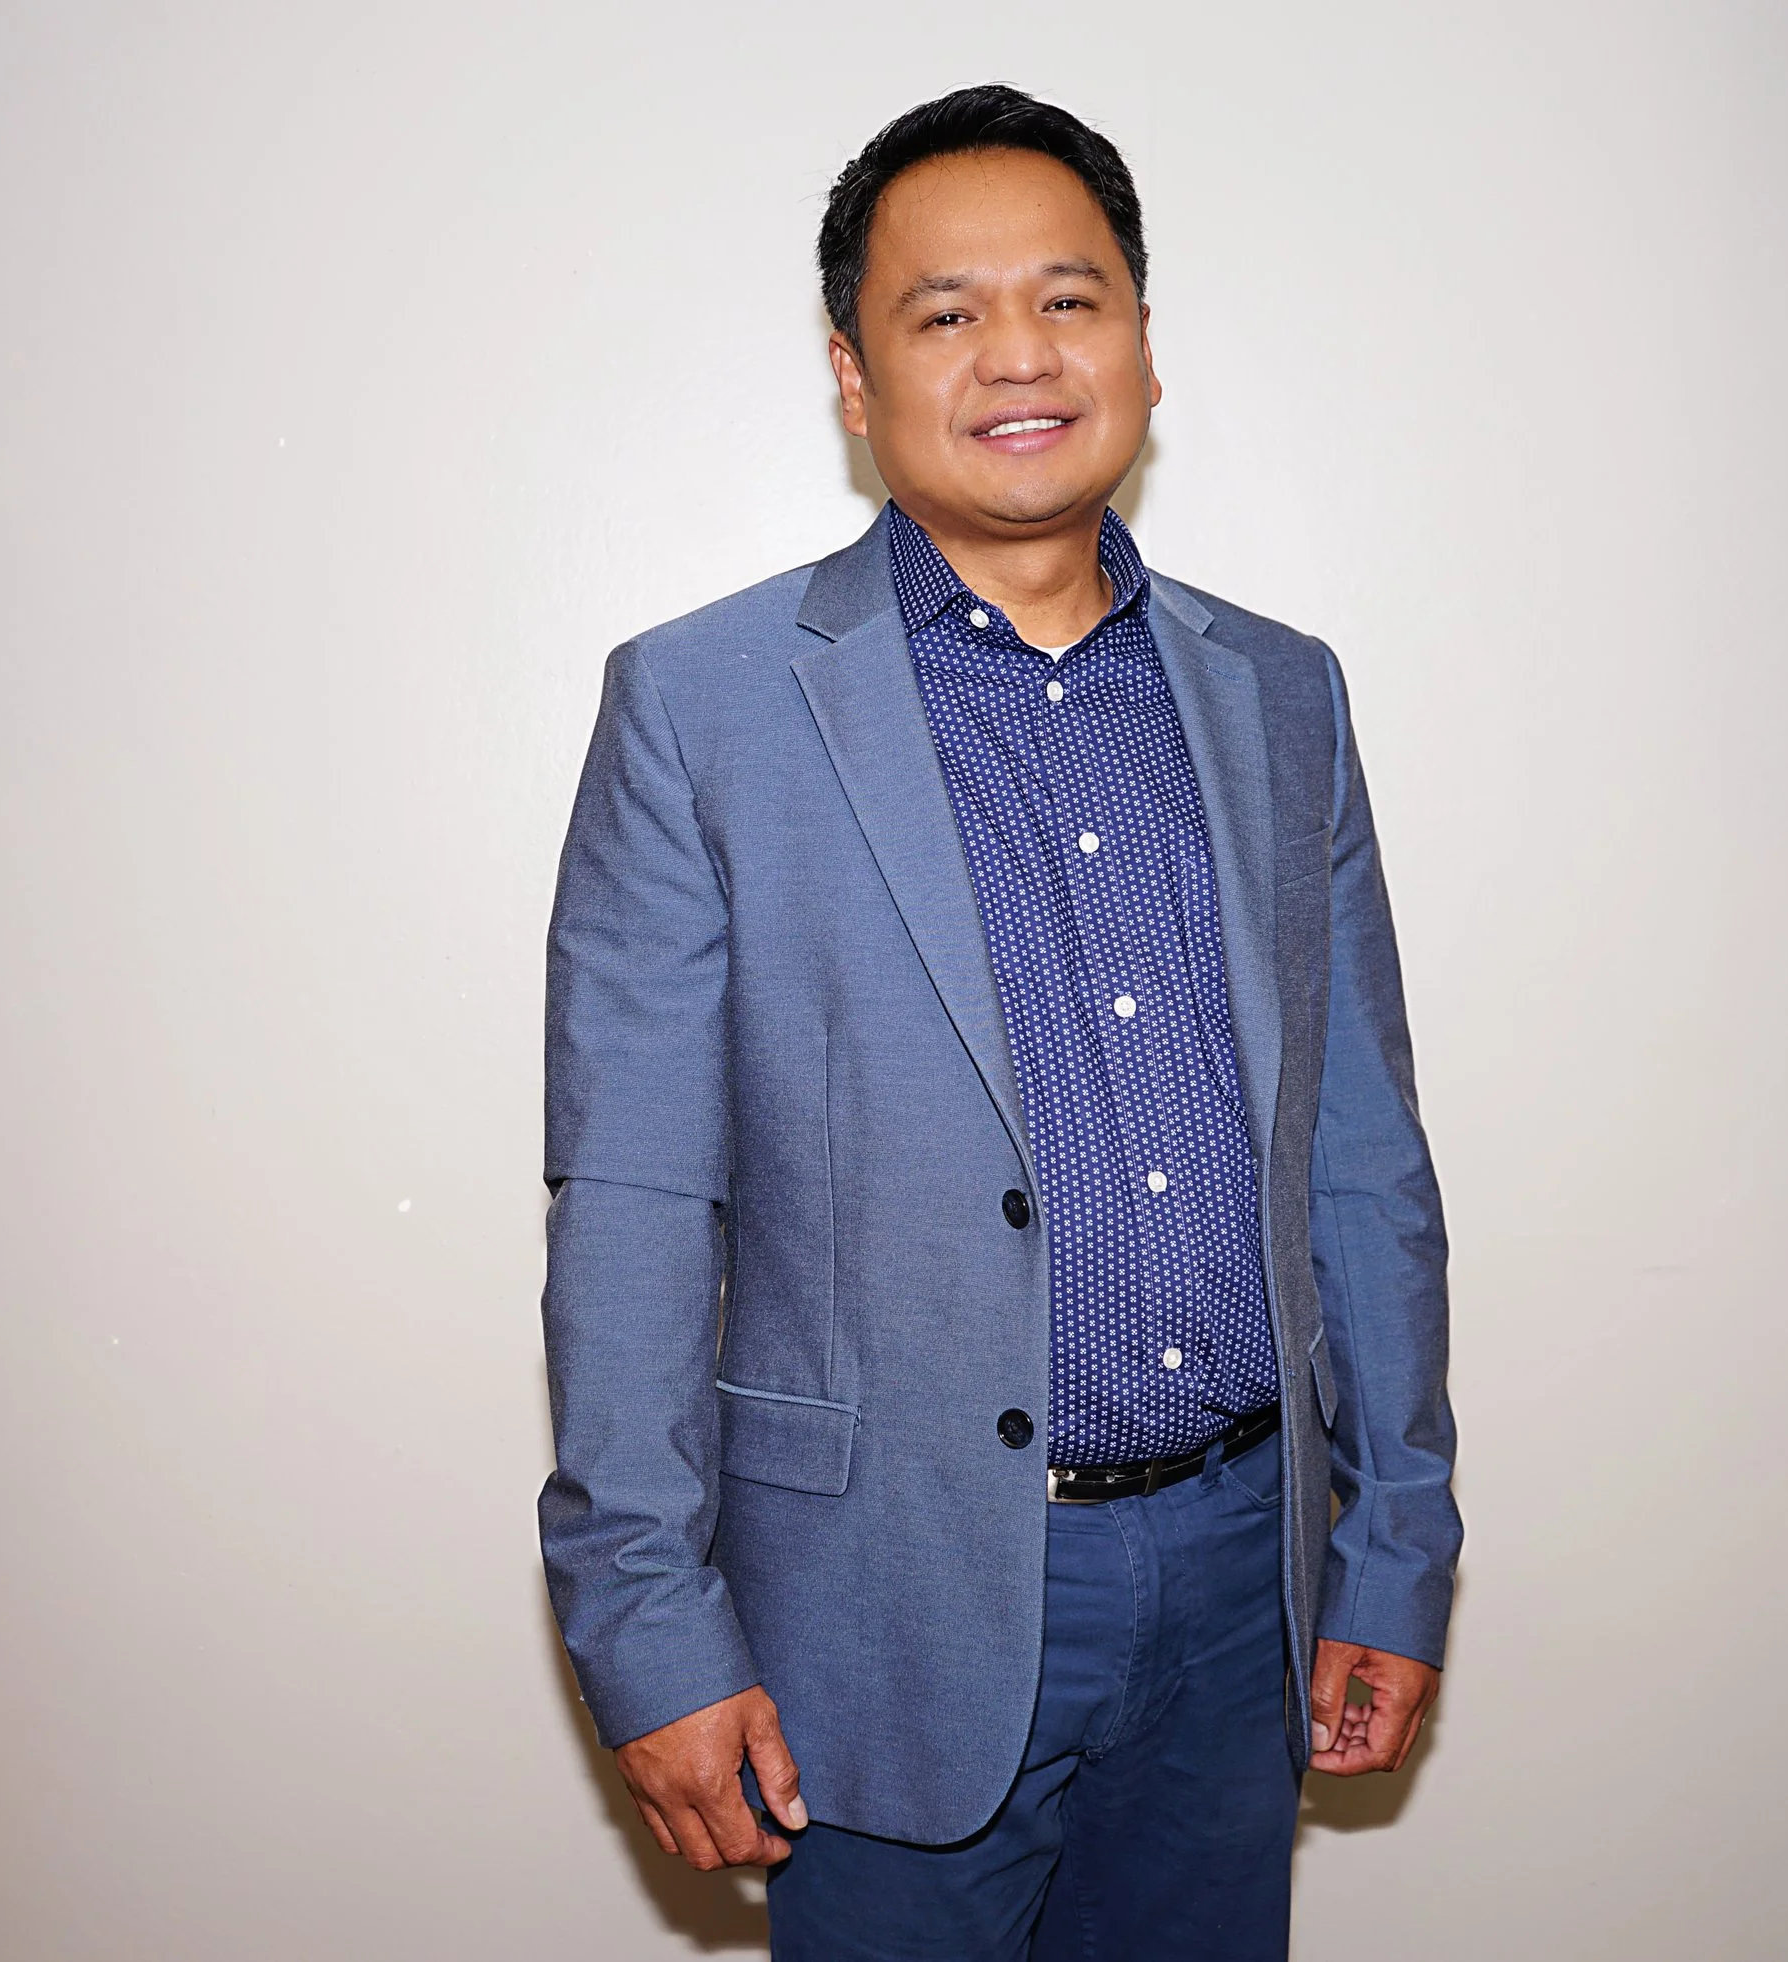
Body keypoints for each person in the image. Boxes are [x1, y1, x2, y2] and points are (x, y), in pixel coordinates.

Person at [538, 83, 1460, 1959]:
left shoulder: (1283, 693)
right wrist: (647, 1621)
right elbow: (632, 1203)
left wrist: (1396, 1537)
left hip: (1242, 1585)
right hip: (881, 1605)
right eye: (946, 311)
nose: (1019, 353)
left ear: (1142, 341)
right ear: (855, 376)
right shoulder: (702, 709)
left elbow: (1363, 1152)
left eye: (1069, 297)